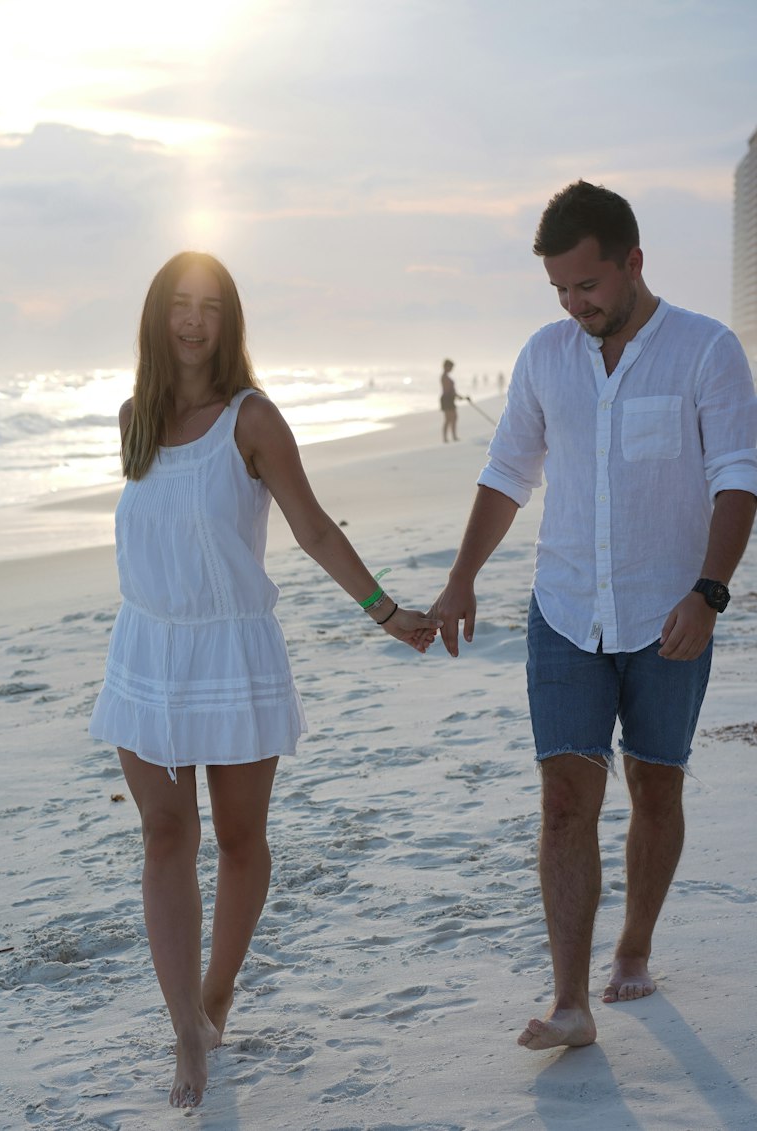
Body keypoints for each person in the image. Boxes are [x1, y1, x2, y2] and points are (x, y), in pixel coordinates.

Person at [89, 251, 440, 1107]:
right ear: (158, 314)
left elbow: (313, 528)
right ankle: (185, 1030)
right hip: (146, 652)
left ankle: (217, 995)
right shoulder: (134, 416)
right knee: (165, 838)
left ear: (229, 320)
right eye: (181, 304)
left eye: (210, 306)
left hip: (231, 651)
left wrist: (385, 612)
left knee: (241, 842)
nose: (194, 321)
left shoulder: (252, 420)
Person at [427, 181, 757, 1052]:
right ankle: (570, 999)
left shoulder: (707, 352)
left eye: (588, 286)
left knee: (655, 785)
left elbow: (737, 479)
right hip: (565, 610)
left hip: (671, 616)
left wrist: (709, 592)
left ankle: (636, 945)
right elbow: (506, 474)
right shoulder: (546, 356)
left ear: (633, 262)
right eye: (561, 292)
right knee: (566, 799)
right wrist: (462, 578)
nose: (576, 306)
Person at [439, 358, 462, 442]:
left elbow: (451, 391)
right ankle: (446, 438)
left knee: (453, 418)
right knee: (448, 419)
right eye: (450, 367)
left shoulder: (446, 377)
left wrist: (458, 396)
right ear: (446, 366)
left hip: (449, 398)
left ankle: (453, 436)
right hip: (447, 399)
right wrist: (457, 396)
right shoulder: (444, 377)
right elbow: (449, 390)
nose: (452, 369)